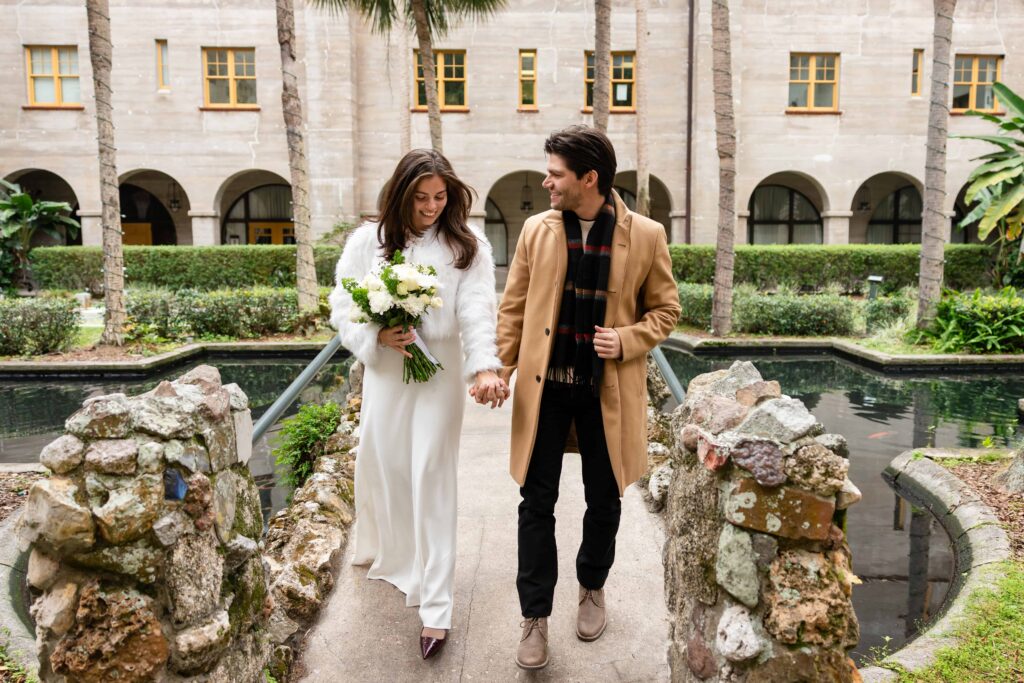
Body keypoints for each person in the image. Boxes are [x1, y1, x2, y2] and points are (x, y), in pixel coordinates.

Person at [496, 125, 681, 670]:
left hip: (608, 391)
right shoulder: (536, 230)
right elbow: (513, 307)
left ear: (589, 178)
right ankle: (534, 616)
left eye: (555, 173)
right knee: (536, 504)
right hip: (546, 391)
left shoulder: (646, 234)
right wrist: (500, 369)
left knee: (605, 500)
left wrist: (626, 339)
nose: (546, 181)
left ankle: (592, 586)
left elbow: (666, 311)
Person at [329, 149, 508, 660]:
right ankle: (396, 553)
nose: (431, 206)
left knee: (431, 472)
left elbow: (477, 311)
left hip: (441, 373)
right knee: (384, 464)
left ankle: (437, 606)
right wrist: (375, 332)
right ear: (401, 193)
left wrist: (484, 366)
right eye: (422, 197)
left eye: (440, 196)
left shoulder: (466, 246)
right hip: (388, 371)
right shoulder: (369, 241)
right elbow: (343, 302)